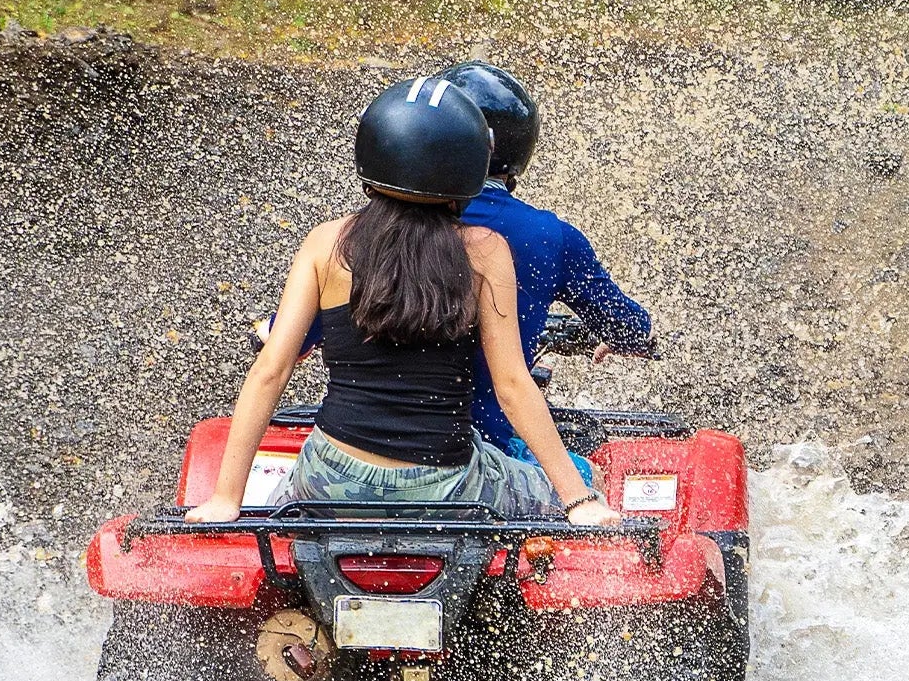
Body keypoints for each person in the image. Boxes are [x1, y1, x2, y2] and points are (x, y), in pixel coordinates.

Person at [187, 77, 618, 530]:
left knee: (281, 508)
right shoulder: (485, 252)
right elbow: (512, 385)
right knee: (578, 480)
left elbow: (271, 370)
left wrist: (224, 498)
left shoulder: (325, 244)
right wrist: (580, 499)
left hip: (329, 475)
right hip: (445, 483)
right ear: (472, 167)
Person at [435, 62, 656, 465]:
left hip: (351, 459)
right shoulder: (545, 237)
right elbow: (628, 328)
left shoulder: (367, 235)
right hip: (476, 457)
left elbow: (286, 346)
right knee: (589, 475)